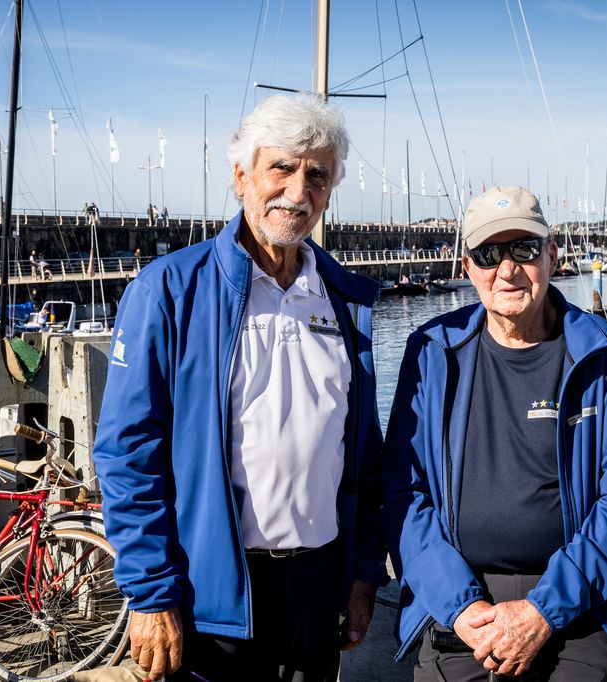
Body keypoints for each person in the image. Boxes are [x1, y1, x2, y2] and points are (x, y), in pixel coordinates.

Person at [92, 93, 387, 682]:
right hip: (212, 594)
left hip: (317, 587)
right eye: (282, 167)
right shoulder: (168, 292)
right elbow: (127, 455)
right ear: (240, 175)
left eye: (317, 175)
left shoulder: (346, 300)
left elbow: (364, 454)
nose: (298, 191)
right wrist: (151, 595)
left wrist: (362, 575)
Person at [383, 186, 607, 681]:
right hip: (461, 609)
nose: (507, 269)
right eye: (488, 254)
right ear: (467, 267)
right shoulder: (431, 355)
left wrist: (541, 612)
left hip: (581, 609)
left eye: (524, 250)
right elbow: (405, 494)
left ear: (552, 257)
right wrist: (460, 608)